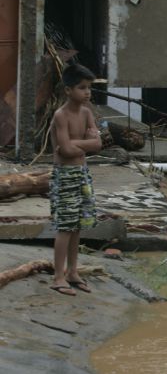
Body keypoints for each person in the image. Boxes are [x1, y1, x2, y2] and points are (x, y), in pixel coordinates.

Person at [49, 63, 102, 296]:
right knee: (65, 226)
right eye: (82, 87)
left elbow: (97, 144)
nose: (87, 92)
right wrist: (82, 144)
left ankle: (73, 271)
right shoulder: (61, 115)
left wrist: (76, 144)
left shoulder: (87, 112)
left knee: (79, 224)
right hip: (66, 175)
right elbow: (66, 151)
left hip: (82, 173)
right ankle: (58, 275)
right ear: (68, 90)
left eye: (89, 88)